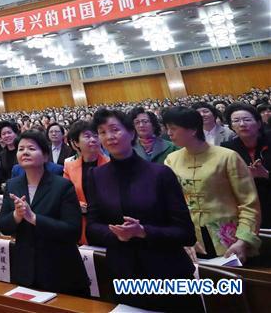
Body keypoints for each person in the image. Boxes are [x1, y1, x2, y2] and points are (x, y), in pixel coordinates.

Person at [86, 108, 199, 313]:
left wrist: (143, 231)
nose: (109, 137)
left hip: (167, 271)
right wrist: (117, 234)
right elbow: (92, 227)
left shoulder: (160, 173)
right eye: (102, 132)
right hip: (124, 273)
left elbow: (186, 234)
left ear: (131, 133)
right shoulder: (96, 176)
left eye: (114, 130)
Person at [163, 106, 261, 263]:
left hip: (230, 240)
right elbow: (171, 204)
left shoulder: (227, 157)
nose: (169, 133)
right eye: (167, 128)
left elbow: (249, 203)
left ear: (193, 130)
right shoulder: (171, 159)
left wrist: (243, 240)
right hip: (192, 240)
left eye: (173, 128)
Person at [0, 131, 88, 296]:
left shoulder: (62, 186)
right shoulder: (12, 185)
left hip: (59, 270)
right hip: (25, 270)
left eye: (31, 148)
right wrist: (16, 217)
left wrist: (34, 218)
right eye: (21, 149)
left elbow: (72, 231)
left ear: (45, 156)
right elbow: (3, 225)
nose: (25, 152)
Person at [222, 103, 271, 228]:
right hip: (247, 208)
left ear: (259, 123)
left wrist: (265, 175)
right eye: (236, 121)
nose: (242, 124)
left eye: (247, 119)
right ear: (231, 126)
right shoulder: (227, 149)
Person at [62, 120, 108, 244]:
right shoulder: (69, 167)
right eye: (87, 136)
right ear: (76, 143)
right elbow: (65, 196)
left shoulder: (111, 164)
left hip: (107, 223)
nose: (93, 139)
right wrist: (77, 204)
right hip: (81, 223)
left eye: (96, 135)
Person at [0, 120, 20, 185]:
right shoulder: (2, 154)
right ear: (0, 137)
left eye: (9, 132)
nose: (7, 136)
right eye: (3, 134)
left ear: (15, 133)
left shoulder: (23, 150)